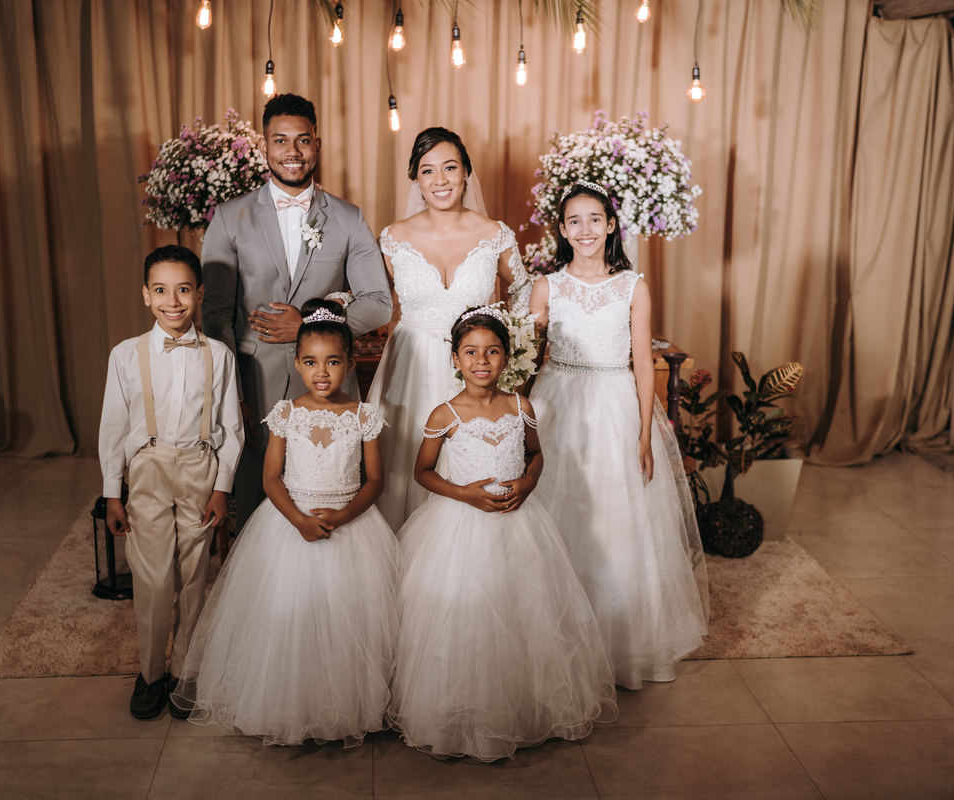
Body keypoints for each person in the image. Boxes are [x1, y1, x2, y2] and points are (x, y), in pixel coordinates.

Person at [389, 307, 616, 762]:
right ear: (455, 359)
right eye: (470, 352)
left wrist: (529, 484)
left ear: (507, 357)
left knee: (523, 610)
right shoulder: (445, 413)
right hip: (459, 526)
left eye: (492, 351)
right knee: (465, 615)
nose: (481, 361)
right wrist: (463, 494)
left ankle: (521, 706)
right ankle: (459, 713)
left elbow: (536, 456)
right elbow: (422, 472)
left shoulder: (521, 407)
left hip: (519, 526)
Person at [171, 299, 398, 747]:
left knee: (347, 615)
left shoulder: (363, 416)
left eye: (333, 362)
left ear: (350, 363)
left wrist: (342, 515)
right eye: (311, 362)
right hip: (288, 525)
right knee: (288, 613)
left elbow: (375, 481)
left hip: (349, 524)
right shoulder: (285, 414)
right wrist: (298, 520)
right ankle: (286, 703)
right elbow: (271, 477)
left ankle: (343, 703)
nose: (322, 372)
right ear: (296, 363)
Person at [528, 181, 708, 690]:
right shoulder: (547, 285)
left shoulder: (633, 286)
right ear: (562, 230)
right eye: (573, 221)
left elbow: (642, 363)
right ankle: (556, 637)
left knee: (613, 517)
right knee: (557, 510)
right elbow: (525, 350)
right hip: (558, 402)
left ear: (610, 225)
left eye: (594, 219)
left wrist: (647, 433)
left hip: (614, 402)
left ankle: (617, 642)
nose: (584, 229)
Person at [201, 93, 392, 521]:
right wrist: (230, 394)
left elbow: (379, 305)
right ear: (265, 146)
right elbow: (215, 315)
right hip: (255, 382)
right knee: (253, 502)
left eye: (303, 140)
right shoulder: (230, 218)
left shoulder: (348, 217)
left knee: (335, 502)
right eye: (281, 141)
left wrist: (306, 324)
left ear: (317, 146)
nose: (293, 152)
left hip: (331, 387)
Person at [98, 244, 245, 719]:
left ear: (200, 293)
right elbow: (113, 427)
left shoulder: (219, 356)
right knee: (154, 577)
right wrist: (111, 494)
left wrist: (222, 486)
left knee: (195, 573)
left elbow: (232, 426)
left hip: (200, 465)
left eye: (183, 289)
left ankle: (184, 669)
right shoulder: (125, 355)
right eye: (160, 290)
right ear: (145, 295)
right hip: (147, 467)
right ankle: (151, 673)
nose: (173, 301)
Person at [367, 127, 533, 529]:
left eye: (449, 168)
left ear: (466, 174)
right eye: (427, 171)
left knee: (470, 469)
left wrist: (512, 346)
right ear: (416, 180)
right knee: (405, 464)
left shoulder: (495, 233)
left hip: (475, 368)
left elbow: (524, 291)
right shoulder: (393, 238)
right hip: (408, 368)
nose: (439, 180)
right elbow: (369, 298)